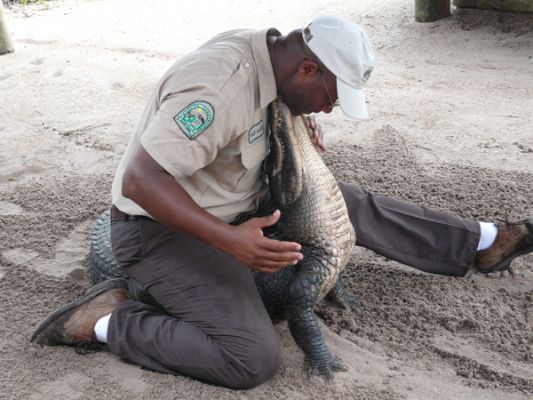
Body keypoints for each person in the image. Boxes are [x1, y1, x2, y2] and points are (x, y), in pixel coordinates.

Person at [31, 16, 533, 389]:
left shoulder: (274, 58)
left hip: (236, 201)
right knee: (251, 359)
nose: (329, 109)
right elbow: (140, 182)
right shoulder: (217, 87)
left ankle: (482, 243)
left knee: (340, 202)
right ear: (308, 67)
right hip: (163, 228)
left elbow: (261, 104)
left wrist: (291, 110)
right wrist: (230, 241)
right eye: (329, 97)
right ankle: (104, 322)